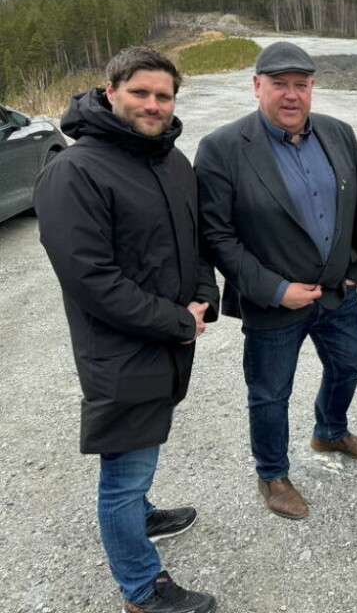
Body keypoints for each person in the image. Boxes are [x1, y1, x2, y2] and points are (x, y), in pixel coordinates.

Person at [34, 48, 218, 613]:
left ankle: (141, 516)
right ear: (109, 90)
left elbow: (193, 242)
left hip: (168, 342)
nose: (153, 105)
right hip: (120, 351)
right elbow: (90, 278)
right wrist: (176, 322)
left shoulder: (170, 161)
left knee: (141, 449)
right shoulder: (74, 170)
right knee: (123, 469)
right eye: (140, 92)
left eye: (163, 96)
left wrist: (206, 296)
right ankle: (141, 587)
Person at [195, 41, 357, 521]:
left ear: (313, 88)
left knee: (352, 365)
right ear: (257, 85)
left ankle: (330, 431)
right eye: (279, 84)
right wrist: (277, 290)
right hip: (274, 304)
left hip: (338, 293)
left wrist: (354, 270)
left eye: (301, 84)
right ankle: (273, 473)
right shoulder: (222, 148)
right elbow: (218, 235)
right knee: (270, 392)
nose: (291, 95)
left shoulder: (338, 134)